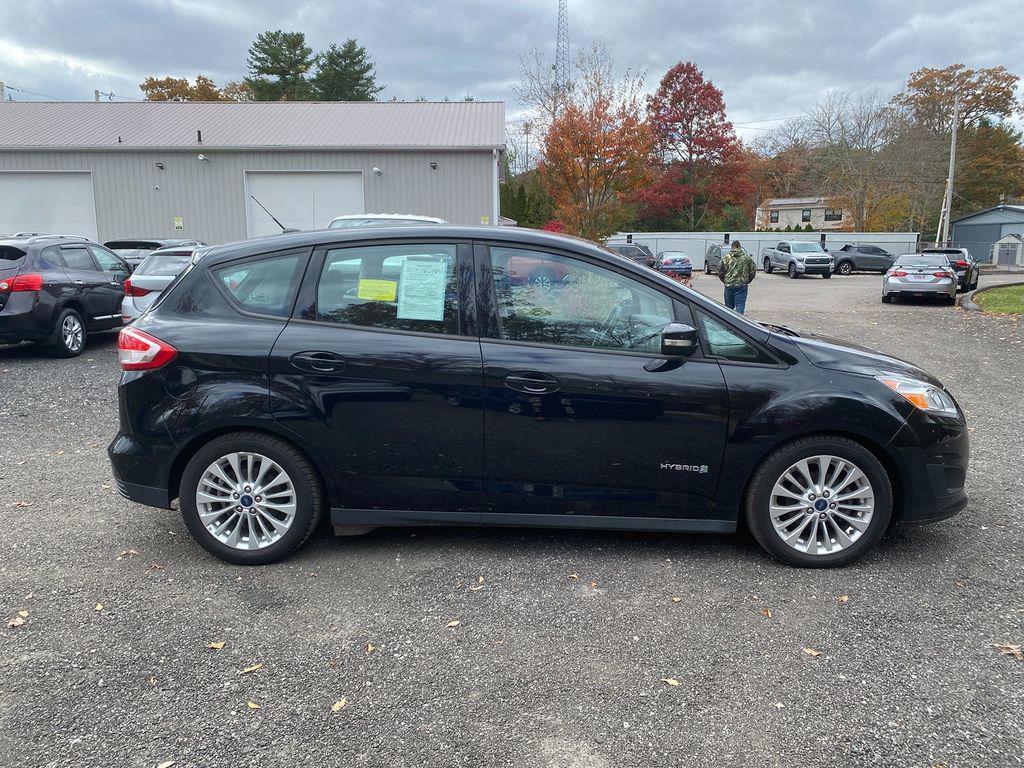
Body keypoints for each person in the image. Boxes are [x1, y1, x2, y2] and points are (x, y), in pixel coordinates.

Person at [717, 240, 757, 315]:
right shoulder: (747, 258)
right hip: (741, 285)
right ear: (740, 247)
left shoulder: (726, 258)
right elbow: (753, 271)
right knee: (740, 306)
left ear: (732, 247)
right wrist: (747, 280)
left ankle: (728, 321)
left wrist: (725, 281)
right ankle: (738, 320)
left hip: (729, 285)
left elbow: (720, 271)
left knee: (728, 308)